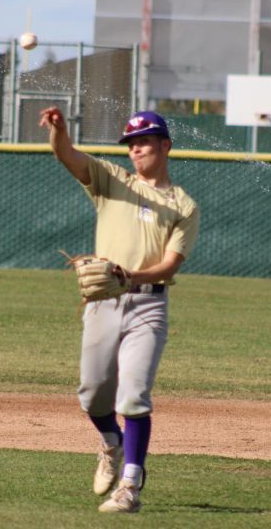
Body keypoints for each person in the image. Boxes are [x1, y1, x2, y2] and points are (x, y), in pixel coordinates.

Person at [40, 106, 200, 513]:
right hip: (102, 304)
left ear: (165, 145)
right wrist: (58, 131)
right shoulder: (111, 180)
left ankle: (130, 484)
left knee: (133, 396)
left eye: (144, 140)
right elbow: (67, 156)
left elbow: (170, 264)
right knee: (93, 395)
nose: (136, 149)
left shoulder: (183, 204)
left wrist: (131, 276)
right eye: (131, 143)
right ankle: (111, 443)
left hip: (149, 306)